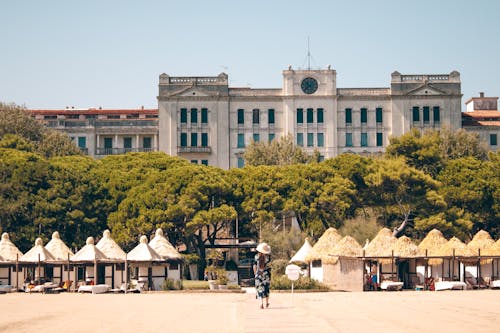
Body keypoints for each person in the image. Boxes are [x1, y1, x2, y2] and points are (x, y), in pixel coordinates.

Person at [253, 242, 271, 309]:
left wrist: (255, 274)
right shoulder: (268, 258)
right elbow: (269, 267)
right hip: (266, 275)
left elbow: (254, 266)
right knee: (266, 289)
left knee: (259, 289)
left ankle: (261, 303)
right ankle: (266, 303)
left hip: (258, 275)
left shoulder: (256, 257)